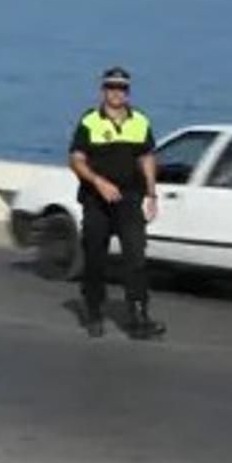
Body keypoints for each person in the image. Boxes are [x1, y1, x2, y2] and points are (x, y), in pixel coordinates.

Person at [69, 67, 162, 339]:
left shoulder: (140, 121)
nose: (116, 93)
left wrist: (152, 193)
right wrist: (98, 182)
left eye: (121, 88)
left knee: (136, 256)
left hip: (129, 199)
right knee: (95, 257)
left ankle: (139, 316)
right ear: (103, 91)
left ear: (127, 92)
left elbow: (146, 157)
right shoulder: (90, 121)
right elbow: (76, 160)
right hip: (96, 200)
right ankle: (94, 311)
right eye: (111, 87)